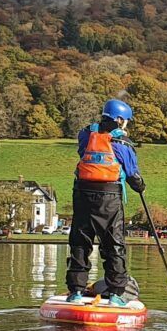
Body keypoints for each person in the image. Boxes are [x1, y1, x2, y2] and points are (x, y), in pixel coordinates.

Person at [66, 99, 145, 306]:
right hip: (109, 198)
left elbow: (83, 153)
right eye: (126, 121)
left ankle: (75, 291)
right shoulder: (121, 142)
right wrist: (140, 186)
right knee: (113, 244)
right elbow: (132, 174)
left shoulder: (85, 134)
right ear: (120, 120)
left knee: (80, 243)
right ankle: (117, 294)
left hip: (82, 195)